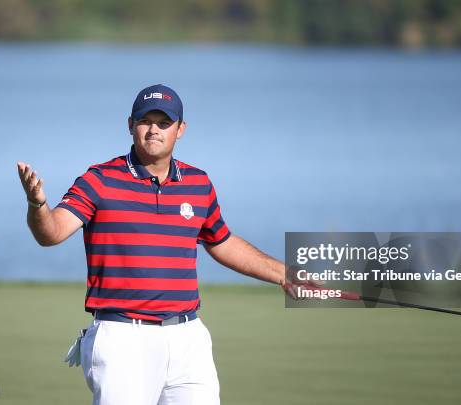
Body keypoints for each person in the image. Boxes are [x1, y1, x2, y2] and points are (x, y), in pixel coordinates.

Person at [17, 84, 300, 405]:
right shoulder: (99, 180)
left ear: (180, 130)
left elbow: (222, 242)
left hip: (187, 336)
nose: (154, 130)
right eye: (145, 121)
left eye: (164, 123)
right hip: (123, 336)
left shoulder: (199, 183)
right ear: (130, 125)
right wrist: (37, 204)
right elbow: (51, 233)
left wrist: (283, 273)